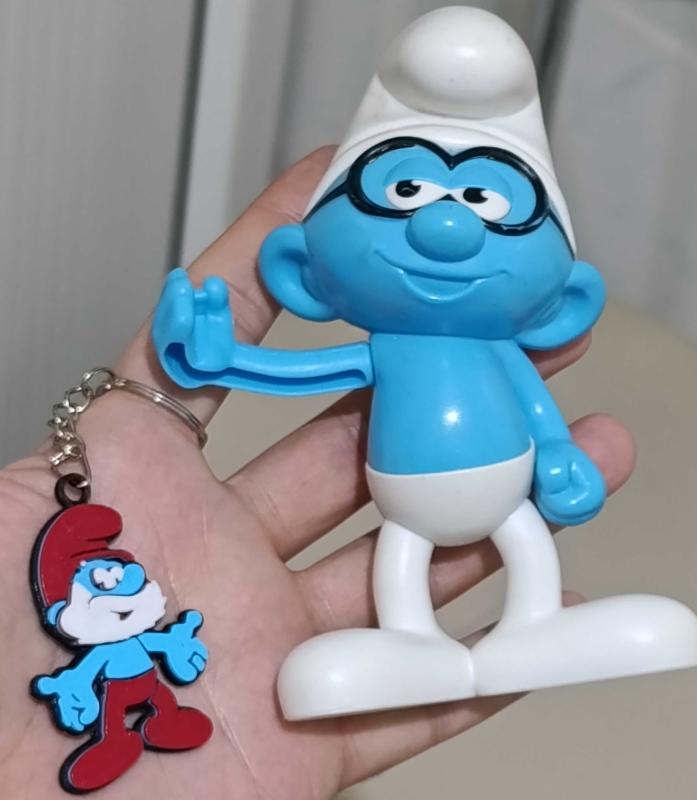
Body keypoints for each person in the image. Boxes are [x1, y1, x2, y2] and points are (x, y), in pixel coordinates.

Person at [0, 147, 634, 798]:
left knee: (519, 542)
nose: (446, 228)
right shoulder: (387, 349)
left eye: (481, 201)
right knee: (402, 563)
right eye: (408, 193)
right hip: (408, 502)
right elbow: (294, 372)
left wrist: (556, 455)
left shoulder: (496, 350)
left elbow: (538, 412)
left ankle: (535, 626)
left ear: (566, 302)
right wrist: (214, 357)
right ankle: (411, 645)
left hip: (506, 485)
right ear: (300, 274)